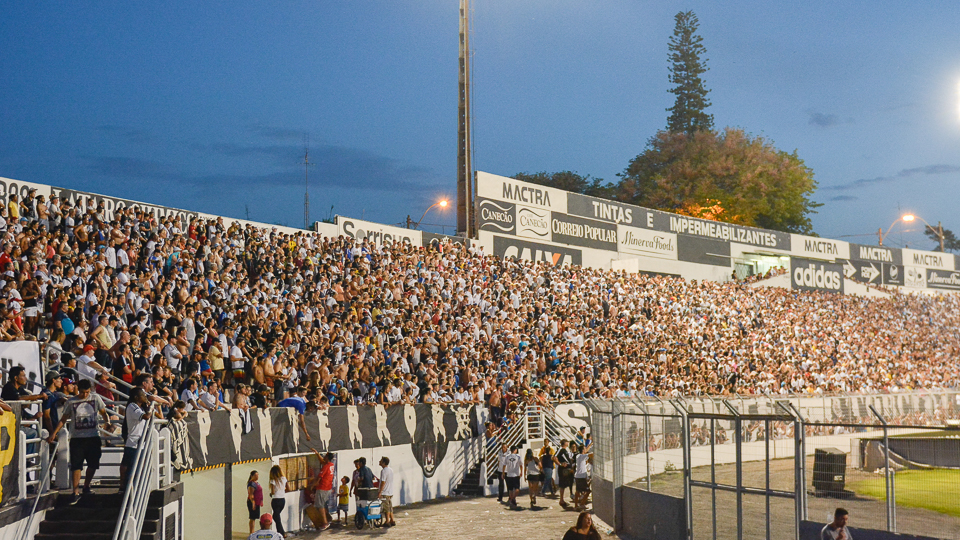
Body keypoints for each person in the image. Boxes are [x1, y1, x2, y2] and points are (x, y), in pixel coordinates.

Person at [47, 379, 111, 505]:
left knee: (93, 463)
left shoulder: (96, 398)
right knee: (76, 465)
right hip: (77, 438)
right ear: (78, 390)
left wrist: (107, 422)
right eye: (82, 392)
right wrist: (54, 433)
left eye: (87, 392)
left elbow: (104, 412)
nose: (85, 395)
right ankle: (75, 491)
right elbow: (63, 419)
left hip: (93, 436)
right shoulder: (71, 402)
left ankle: (86, 486)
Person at [119, 388, 160, 490]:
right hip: (133, 442)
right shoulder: (132, 407)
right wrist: (150, 408)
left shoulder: (139, 407)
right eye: (143, 395)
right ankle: (125, 488)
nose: (145, 397)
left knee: (135, 466)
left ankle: (130, 487)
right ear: (137, 397)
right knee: (130, 467)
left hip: (139, 442)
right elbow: (146, 416)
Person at [310, 448, 334, 531]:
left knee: (320, 506)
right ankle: (327, 519)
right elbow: (323, 462)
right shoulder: (331, 465)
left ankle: (325, 522)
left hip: (323, 488)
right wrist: (317, 453)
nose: (323, 458)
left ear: (327, 458)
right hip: (328, 488)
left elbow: (318, 479)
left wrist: (312, 486)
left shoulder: (325, 467)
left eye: (325, 457)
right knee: (322, 505)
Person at [268, 465, 290, 538]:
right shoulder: (284, 479)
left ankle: (282, 533)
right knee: (276, 517)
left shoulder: (273, 481)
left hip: (276, 500)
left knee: (277, 518)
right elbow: (288, 489)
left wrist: (270, 494)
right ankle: (280, 532)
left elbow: (273, 492)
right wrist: (282, 491)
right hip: (282, 500)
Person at [573, 443, 593, 511]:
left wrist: (590, 445)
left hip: (578, 476)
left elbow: (587, 453)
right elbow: (590, 454)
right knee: (588, 491)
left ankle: (576, 505)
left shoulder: (578, 456)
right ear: (583, 450)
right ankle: (582, 504)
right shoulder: (582, 456)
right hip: (581, 477)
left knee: (578, 491)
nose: (586, 450)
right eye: (585, 449)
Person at [556, 439, 575, 508]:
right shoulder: (560, 449)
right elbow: (554, 457)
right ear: (565, 443)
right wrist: (560, 464)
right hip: (563, 470)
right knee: (562, 484)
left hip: (567, 469)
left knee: (565, 484)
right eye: (567, 442)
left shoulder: (565, 451)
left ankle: (562, 499)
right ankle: (561, 500)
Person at [378, 456, 396, 527]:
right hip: (390, 491)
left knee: (386, 507)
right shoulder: (390, 470)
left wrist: (380, 492)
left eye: (381, 461)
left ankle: (387, 521)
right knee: (390, 506)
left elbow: (383, 482)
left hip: (385, 492)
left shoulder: (383, 471)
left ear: (383, 463)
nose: (379, 462)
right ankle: (392, 519)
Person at [247, 470, 264, 534]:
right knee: (252, 517)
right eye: (255, 475)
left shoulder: (257, 483)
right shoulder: (251, 484)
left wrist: (261, 501)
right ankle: (251, 532)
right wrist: (253, 502)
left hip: (257, 502)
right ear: (252, 476)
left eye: (258, 475)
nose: (257, 476)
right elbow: (251, 494)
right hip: (253, 502)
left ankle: (253, 531)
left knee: (255, 517)